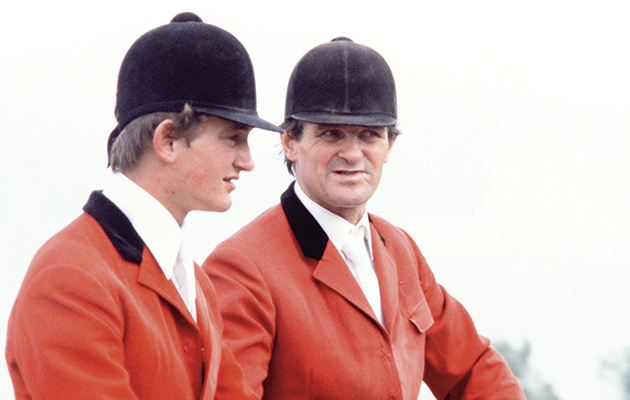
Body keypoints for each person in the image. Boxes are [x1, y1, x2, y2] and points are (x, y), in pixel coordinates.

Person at [203, 37, 526, 399]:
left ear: (389, 145)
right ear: (290, 142)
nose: (352, 153)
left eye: (369, 135)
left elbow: (472, 369)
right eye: (331, 134)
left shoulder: (400, 249)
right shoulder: (241, 268)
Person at [5, 12, 283, 400]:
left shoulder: (193, 279)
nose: (247, 161)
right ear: (167, 140)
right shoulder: (69, 279)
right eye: (233, 138)